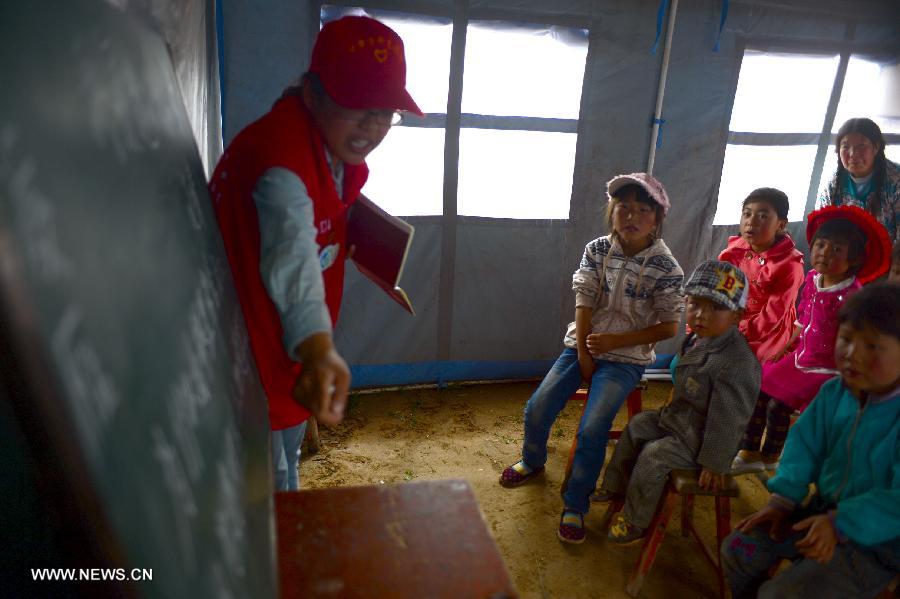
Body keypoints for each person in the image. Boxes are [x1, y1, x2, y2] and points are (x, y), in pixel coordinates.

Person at [208, 16, 422, 490]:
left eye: (385, 109)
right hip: (251, 357)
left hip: (282, 355)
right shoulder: (281, 160)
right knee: (266, 491)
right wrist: (319, 348)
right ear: (312, 91)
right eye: (355, 103)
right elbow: (292, 256)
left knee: (286, 461)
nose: (372, 124)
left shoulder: (325, 146)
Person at [498, 173, 684, 544]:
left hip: (626, 359)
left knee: (591, 428)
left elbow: (668, 327)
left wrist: (618, 340)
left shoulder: (667, 268)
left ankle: (575, 505)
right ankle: (533, 462)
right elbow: (583, 301)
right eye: (623, 208)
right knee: (537, 408)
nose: (631, 216)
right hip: (582, 345)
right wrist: (583, 351)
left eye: (642, 210)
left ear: (657, 218)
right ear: (612, 211)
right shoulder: (597, 249)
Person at [720, 283, 900, 599]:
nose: (851, 354)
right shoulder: (835, 393)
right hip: (823, 510)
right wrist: (783, 500)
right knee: (738, 549)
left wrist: (840, 524)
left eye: (872, 346)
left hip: (880, 543)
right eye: (845, 339)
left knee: (780, 595)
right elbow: (804, 446)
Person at [594, 260, 759, 544]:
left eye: (715, 307)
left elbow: (729, 421)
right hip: (678, 419)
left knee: (655, 455)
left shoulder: (736, 362)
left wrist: (716, 463)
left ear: (737, 316)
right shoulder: (698, 339)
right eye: (694, 304)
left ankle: (636, 521)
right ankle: (616, 486)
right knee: (636, 426)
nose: (701, 315)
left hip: (700, 439)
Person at [731, 205, 891, 474]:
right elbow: (803, 319)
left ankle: (771, 456)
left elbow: (856, 338)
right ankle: (749, 452)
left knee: (779, 405)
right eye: (821, 245)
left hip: (828, 368)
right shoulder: (813, 277)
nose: (825, 253)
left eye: (837, 249)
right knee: (760, 389)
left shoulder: (853, 294)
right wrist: (784, 348)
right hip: (802, 357)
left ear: (854, 260)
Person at [719, 187, 805, 363]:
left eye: (763, 216)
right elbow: (723, 294)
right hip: (731, 320)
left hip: (768, 329)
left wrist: (739, 330)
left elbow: (773, 315)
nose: (751, 222)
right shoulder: (732, 252)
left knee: (742, 363)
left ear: (781, 225)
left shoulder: (789, 265)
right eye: (747, 214)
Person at [816, 117, 900, 244]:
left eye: (861, 146)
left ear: (876, 147)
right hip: (847, 258)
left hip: (891, 259)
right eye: (845, 146)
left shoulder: (896, 179)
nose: (853, 153)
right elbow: (823, 228)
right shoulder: (834, 185)